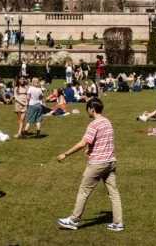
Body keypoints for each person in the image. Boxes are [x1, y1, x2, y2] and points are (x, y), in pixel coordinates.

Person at [57, 98, 123, 232]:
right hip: (111, 162)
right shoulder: (107, 122)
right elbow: (104, 139)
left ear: (92, 109)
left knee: (84, 191)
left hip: (98, 163)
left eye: (87, 109)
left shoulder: (94, 124)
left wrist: (65, 154)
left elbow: (82, 143)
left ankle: (73, 220)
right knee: (114, 193)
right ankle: (118, 223)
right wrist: (90, 149)